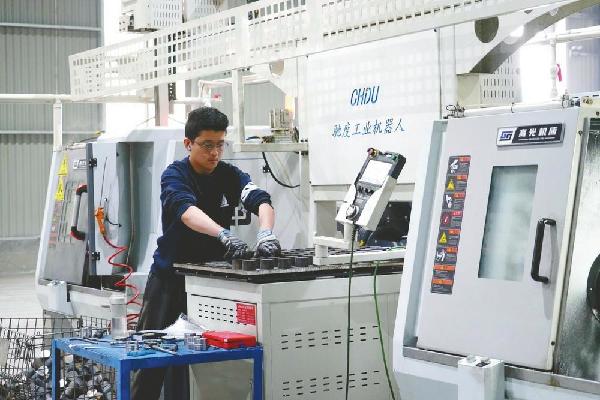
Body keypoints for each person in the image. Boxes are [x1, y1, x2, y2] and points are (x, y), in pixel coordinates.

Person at [131, 107, 281, 400]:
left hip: (211, 285)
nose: (215, 153)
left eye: (220, 144)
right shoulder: (175, 175)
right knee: (151, 359)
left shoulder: (229, 175)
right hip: (170, 281)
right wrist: (222, 233)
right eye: (207, 145)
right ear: (188, 144)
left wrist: (266, 231)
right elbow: (187, 212)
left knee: (205, 362)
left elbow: (260, 200)